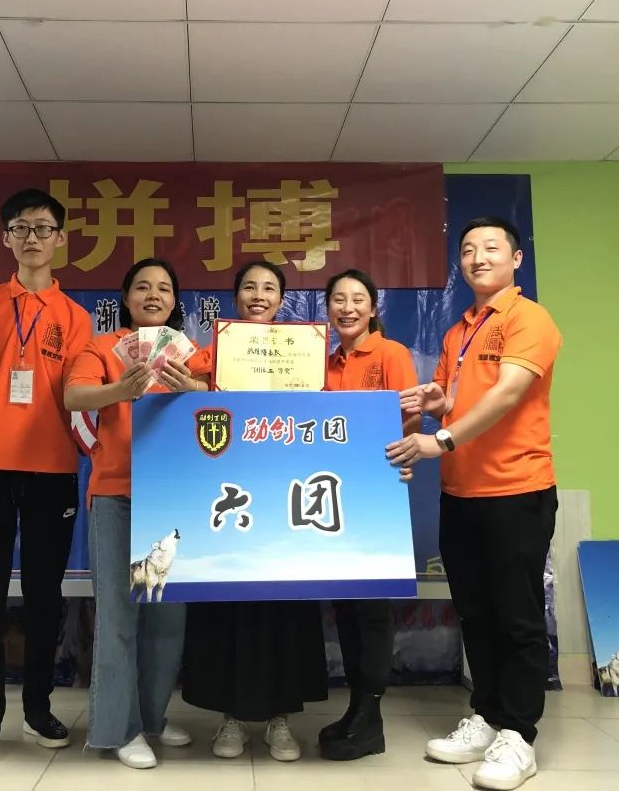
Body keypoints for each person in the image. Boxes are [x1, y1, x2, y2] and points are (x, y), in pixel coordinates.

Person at [386, 217, 562, 791]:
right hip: (461, 493)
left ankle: (519, 734)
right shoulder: (459, 329)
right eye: (467, 250)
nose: (478, 258)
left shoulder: (528, 318)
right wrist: (438, 402)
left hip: (517, 489)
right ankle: (487, 715)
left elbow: (509, 392)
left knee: (517, 616)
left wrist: (440, 439)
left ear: (516, 258)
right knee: (476, 613)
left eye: (490, 248)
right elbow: (458, 401)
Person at [0, 189, 93, 766]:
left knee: (43, 596)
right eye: (21, 228)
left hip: (53, 467)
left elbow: (79, 390)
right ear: (6, 238)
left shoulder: (76, 317)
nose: (32, 238)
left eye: (43, 228)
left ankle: (37, 708)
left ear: (61, 239)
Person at [64, 259, 209, 769]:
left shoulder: (189, 354)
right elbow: (73, 395)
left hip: (174, 499)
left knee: (167, 618)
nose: (153, 295)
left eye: (164, 288)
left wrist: (194, 389)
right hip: (117, 494)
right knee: (119, 617)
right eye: (142, 287)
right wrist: (119, 392)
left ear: (174, 302)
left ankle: (151, 717)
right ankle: (119, 730)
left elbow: (224, 403)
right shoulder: (103, 348)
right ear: (125, 298)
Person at [181, 261, 328, 762]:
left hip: (285, 498)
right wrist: (196, 386)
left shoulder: (302, 350)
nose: (259, 295)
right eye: (249, 287)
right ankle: (230, 718)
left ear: (282, 299)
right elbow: (186, 390)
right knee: (228, 602)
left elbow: (325, 408)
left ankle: (280, 719)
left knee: (282, 605)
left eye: (269, 288)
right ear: (236, 297)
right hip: (226, 496)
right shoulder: (216, 349)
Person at [318, 269, 419, 761]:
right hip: (332, 499)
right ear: (328, 310)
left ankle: (371, 714)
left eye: (358, 299)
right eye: (338, 300)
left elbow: (411, 418)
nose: (348, 308)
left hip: (376, 496)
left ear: (373, 308)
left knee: (373, 607)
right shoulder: (323, 362)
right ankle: (357, 706)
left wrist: (404, 456)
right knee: (347, 605)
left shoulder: (391, 354)